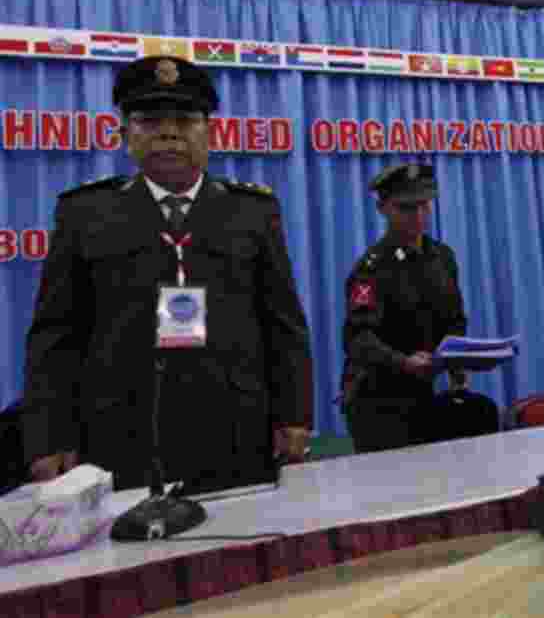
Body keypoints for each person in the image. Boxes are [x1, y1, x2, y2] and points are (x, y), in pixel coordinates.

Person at [22, 55, 313, 491]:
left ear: (209, 133)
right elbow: (55, 335)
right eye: (150, 119)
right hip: (120, 436)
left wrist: (294, 416)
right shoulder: (85, 214)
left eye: (185, 119)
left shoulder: (251, 212)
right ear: (125, 135)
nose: (169, 132)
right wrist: (49, 437)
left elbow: (283, 324)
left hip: (234, 427)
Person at [341, 163, 469, 453]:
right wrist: (404, 362)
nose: (419, 216)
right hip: (378, 399)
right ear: (382, 209)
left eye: (425, 205)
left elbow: (454, 319)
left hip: (425, 393)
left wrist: (457, 360)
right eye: (407, 208)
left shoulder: (442, 257)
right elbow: (358, 339)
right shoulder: (370, 269)